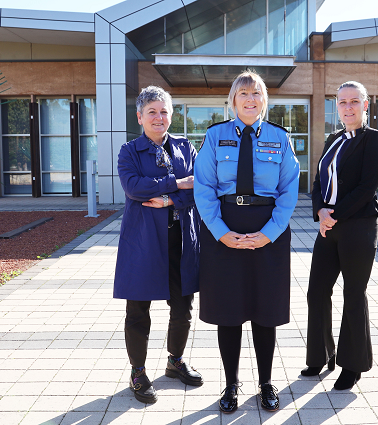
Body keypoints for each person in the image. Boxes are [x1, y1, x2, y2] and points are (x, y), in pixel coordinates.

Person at [194, 71, 300, 413]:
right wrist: (220, 231)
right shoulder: (215, 136)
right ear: (233, 100)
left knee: (265, 310)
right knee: (229, 311)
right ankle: (230, 384)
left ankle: (266, 382)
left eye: (256, 93)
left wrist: (269, 233)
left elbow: (289, 190)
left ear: (264, 100)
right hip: (224, 229)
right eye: (243, 93)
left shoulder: (280, 138)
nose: (250, 99)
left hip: (267, 230)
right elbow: (204, 188)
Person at [113, 86, 203, 404]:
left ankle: (175, 361)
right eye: (152, 111)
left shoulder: (184, 147)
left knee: (182, 308)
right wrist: (177, 183)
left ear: (171, 115)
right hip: (144, 242)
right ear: (140, 117)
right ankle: (138, 372)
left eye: (164, 111)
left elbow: (200, 187)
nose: (158, 117)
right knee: (138, 310)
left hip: (181, 239)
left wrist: (168, 199)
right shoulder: (129, 151)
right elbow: (133, 187)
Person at [302, 81, 378, 391]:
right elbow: (317, 182)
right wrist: (320, 211)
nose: (348, 107)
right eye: (342, 102)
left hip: (359, 226)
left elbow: (366, 188)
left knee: (353, 294)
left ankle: (352, 365)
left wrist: (332, 215)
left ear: (365, 105)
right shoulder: (333, 139)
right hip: (329, 227)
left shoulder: (373, 139)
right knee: (316, 291)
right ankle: (321, 355)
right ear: (336, 106)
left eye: (354, 101)